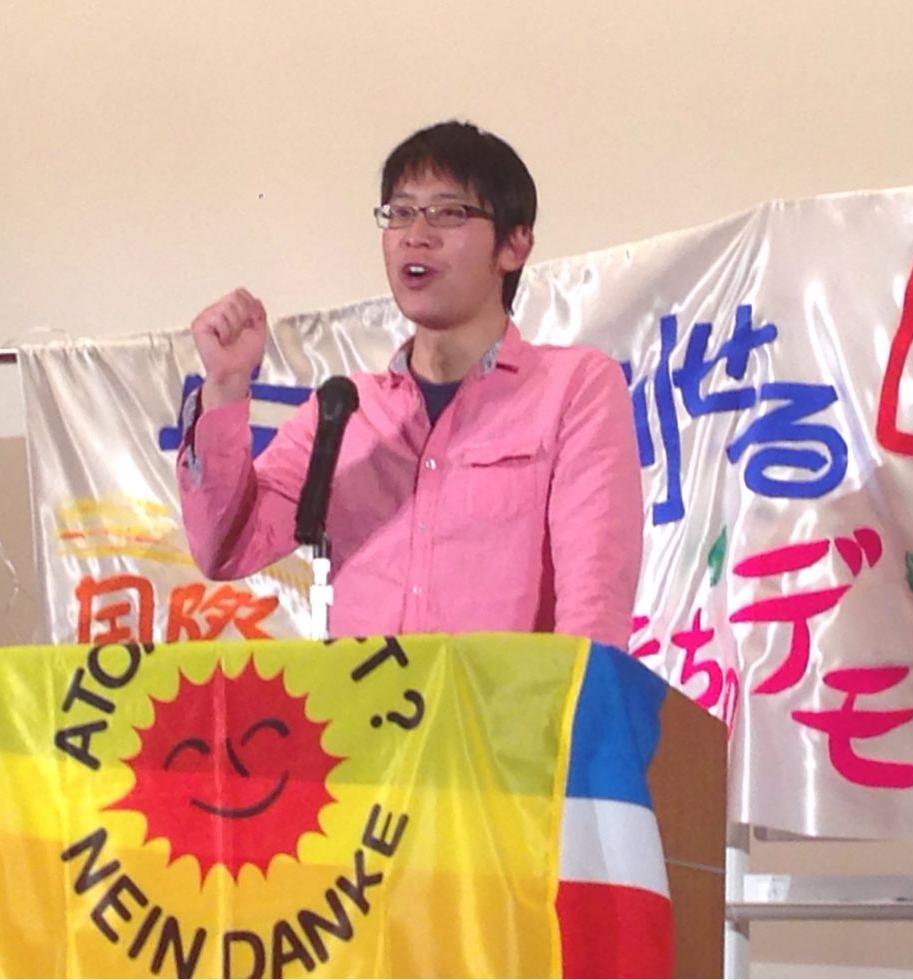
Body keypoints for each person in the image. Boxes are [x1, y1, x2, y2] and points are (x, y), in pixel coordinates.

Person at [178, 121, 643, 649]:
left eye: (448, 212)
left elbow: (594, 608)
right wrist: (226, 384)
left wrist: (581, 701)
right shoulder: (344, 413)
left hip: (508, 704)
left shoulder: (574, 389)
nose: (415, 234)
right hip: (362, 703)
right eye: (400, 213)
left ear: (514, 246)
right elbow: (227, 548)